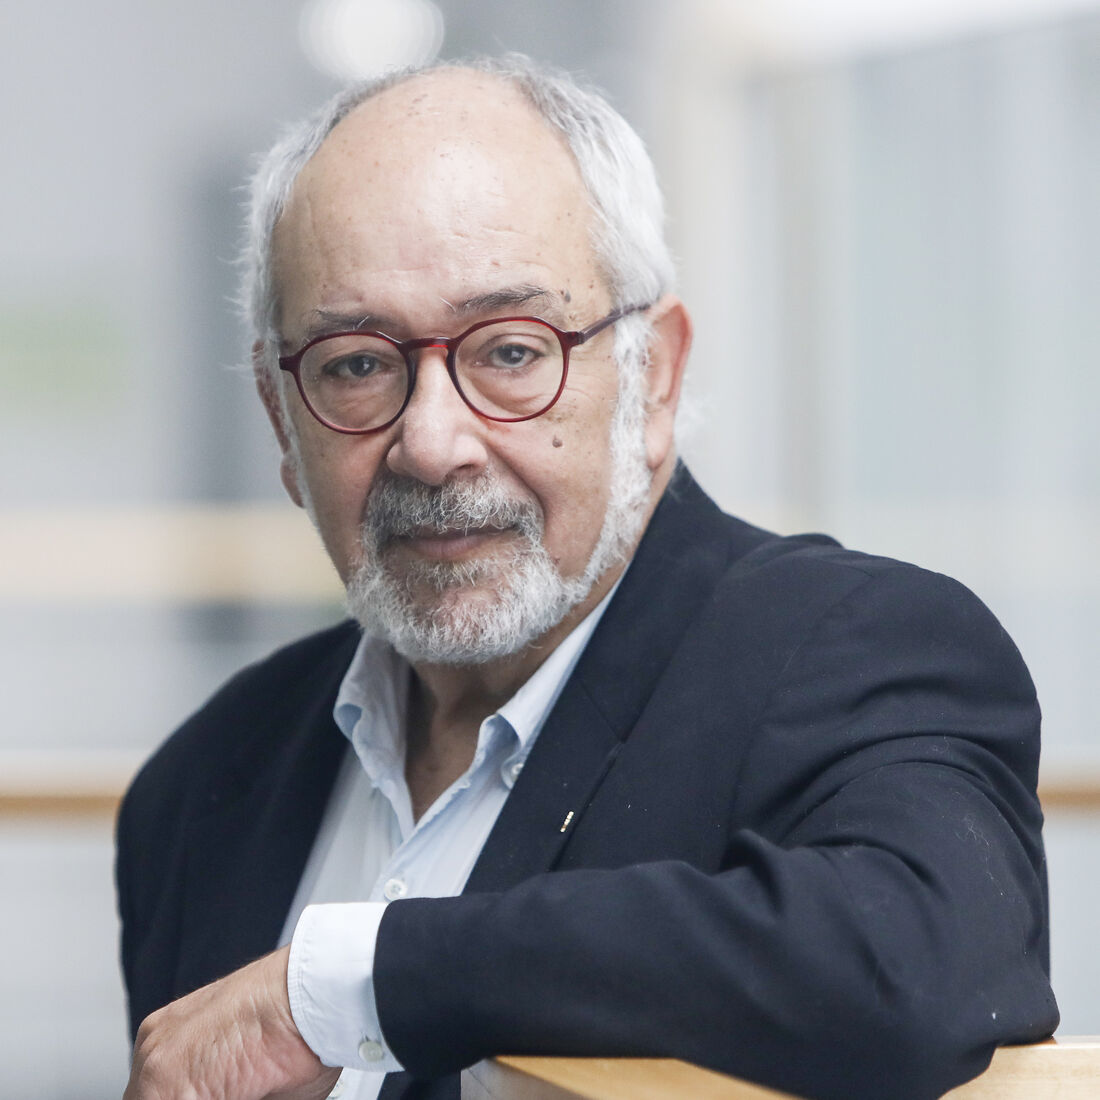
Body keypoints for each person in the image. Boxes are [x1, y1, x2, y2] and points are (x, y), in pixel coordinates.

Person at [117, 55, 1057, 1100]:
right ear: (279, 421)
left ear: (654, 377)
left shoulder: (855, 648)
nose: (432, 444)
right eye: (357, 364)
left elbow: (916, 962)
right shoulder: (205, 785)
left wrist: (356, 982)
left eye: (511, 352)